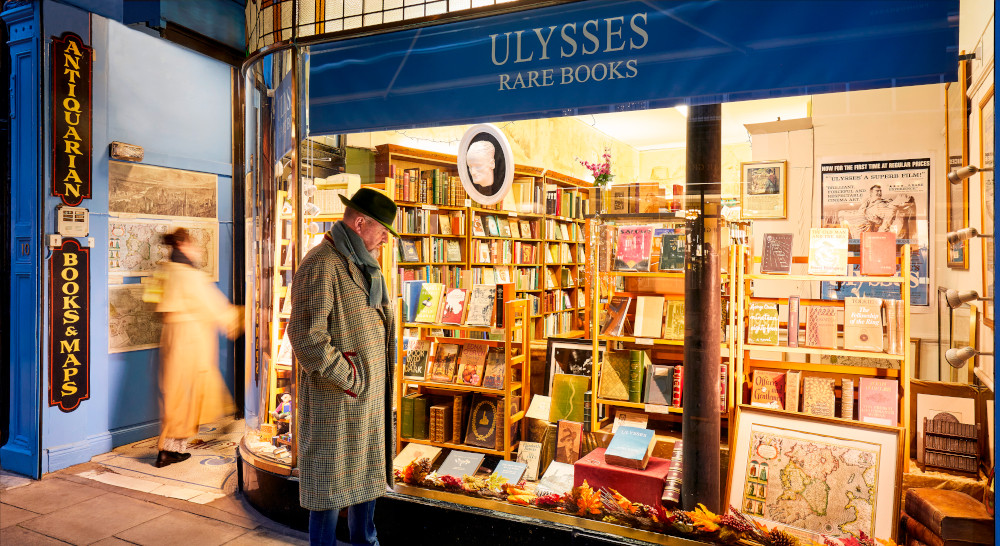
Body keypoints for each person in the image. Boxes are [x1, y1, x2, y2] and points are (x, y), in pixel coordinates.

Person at [287, 187, 398, 546]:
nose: (385, 238)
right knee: (329, 496)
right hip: (338, 401)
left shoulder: (364, 262)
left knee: (365, 485)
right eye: (382, 228)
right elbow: (306, 335)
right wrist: (350, 378)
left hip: (365, 402)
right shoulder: (321, 263)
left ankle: (366, 542)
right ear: (360, 222)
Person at [154, 228, 241, 468]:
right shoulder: (189, 275)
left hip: (171, 342)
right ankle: (168, 451)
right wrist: (244, 316)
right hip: (190, 344)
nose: (197, 250)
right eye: (193, 246)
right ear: (183, 245)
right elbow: (216, 308)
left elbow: (156, 303)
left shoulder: (166, 271)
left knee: (174, 396)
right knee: (187, 397)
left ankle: (169, 449)